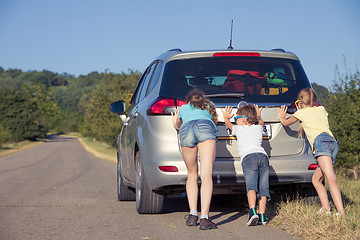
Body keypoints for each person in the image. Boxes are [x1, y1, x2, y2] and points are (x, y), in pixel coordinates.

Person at [278, 88, 345, 216]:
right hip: (332, 143)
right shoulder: (321, 109)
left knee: (331, 178)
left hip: (321, 144)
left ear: (300, 101)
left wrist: (282, 117)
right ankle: (326, 208)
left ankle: (341, 212)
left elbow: (286, 123)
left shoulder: (301, 114)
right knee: (316, 179)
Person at [171, 90, 218, 230]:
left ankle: (192, 215)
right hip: (205, 128)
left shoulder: (183, 108)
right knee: (206, 175)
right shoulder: (209, 106)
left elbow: (177, 124)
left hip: (186, 130)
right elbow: (214, 121)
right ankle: (204, 218)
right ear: (202, 99)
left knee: (191, 174)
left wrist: (176, 121)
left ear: (188, 100)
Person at [222, 104, 270, 226]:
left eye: (236, 119)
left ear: (243, 119)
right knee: (263, 188)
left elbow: (228, 125)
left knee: (251, 186)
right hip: (263, 157)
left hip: (249, 158)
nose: (235, 121)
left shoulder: (239, 129)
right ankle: (263, 216)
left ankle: (253, 210)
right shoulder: (258, 128)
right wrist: (259, 116)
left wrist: (227, 118)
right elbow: (261, 123)